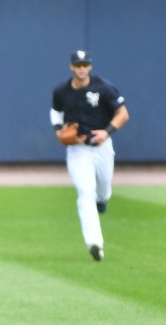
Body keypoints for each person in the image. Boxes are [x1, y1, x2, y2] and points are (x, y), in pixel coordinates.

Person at [50, 50, 129, 261]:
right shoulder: (61, 91)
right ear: (71, 67)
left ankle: (103, 198)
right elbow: (56, 112)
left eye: (85, 64)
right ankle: (95, 243)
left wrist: (107, 131)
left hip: (102, 146)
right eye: (78, 65)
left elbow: (123, 113)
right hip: (78, 150)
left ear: (90, 67)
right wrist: (59, 130)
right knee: (86, 193)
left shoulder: (103, 87)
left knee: (102, 188)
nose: (81, 68)